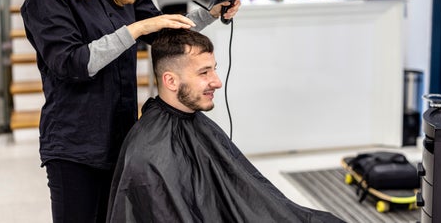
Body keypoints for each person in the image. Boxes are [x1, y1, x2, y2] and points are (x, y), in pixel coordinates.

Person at [20, 0, 240, 223]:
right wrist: (133, 30)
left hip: (121, 137)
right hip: (74, 147)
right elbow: (72, 64)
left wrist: (210, 12)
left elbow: (163, 30)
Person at [106, 29, 345, 223]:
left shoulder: (194, 122)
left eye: (214, 69)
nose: (217, 82)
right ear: (170, 80)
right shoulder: (150, 153)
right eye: (204, 72)